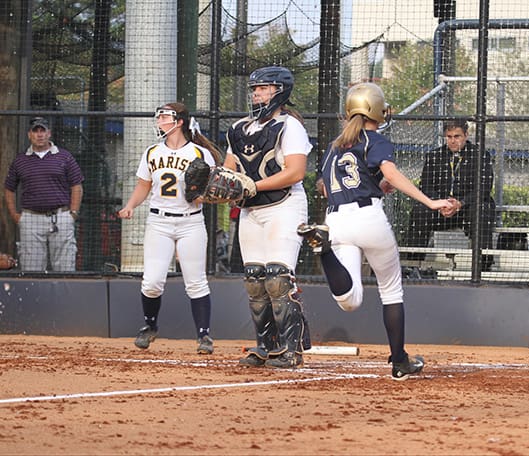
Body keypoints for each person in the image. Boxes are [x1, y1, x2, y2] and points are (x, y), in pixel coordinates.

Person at [297, 82, 453, 380]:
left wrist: (378, 186)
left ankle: (322, 248)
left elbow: (328, 188)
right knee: (391, 290)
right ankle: (399, 361)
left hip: (337, 220)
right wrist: (429, 201)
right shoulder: (374, 139)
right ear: (376, 110)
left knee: (350, 301)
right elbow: (391, 172)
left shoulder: (335, 145)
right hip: (368, 216)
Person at [224, 66, 312, 369]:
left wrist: (254, 185)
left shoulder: (290, 126)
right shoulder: (239, 129)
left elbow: (295, 172)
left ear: (280, 91)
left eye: (264, 88)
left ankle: (291, 348)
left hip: (283, 206)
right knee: (255, 280)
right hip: (251, 210)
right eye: (255, 89)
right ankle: (265, 346)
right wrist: (223, 185)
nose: (257, 94)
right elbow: (230, 170)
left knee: (277, 277)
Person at [118, 102, 221, 354]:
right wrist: (130, 205)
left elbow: (210, 190)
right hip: (159, 221)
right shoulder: (152, 152)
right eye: (159, 117)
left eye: (164, 117)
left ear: (179, 122)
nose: (159, 121)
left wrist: (201, 195)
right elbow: (144, 185)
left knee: (196, 281)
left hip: (191, 221)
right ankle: (150, 326)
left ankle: (204, 336)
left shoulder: (199, 153)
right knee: (152, 281)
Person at [402, 120, 495, 270]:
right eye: (449, 136)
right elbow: (425, 186)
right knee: (419, 211)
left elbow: (484, 188)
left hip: (467, 208)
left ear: (466, 135)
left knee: (482, 209)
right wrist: (440, 203)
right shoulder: (434, 156)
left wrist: (461, 203)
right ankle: (413, 264)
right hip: (441, 208)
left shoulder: (480, 156)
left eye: (457, 136)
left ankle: (483, 265)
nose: (452, 140)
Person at [4, 117, 84, 271]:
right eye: (36, 131)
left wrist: (73, 213)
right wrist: (15, 215)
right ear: (29, 135)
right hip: (30, 219)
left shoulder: (65, 156)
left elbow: (77, 185)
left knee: (65, 267)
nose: (39, 135)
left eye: (43, 131)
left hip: (61, 217)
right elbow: (9, 188)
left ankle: (63, 295)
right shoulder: (20, 160)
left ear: (49, 134)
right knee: (30, 269)